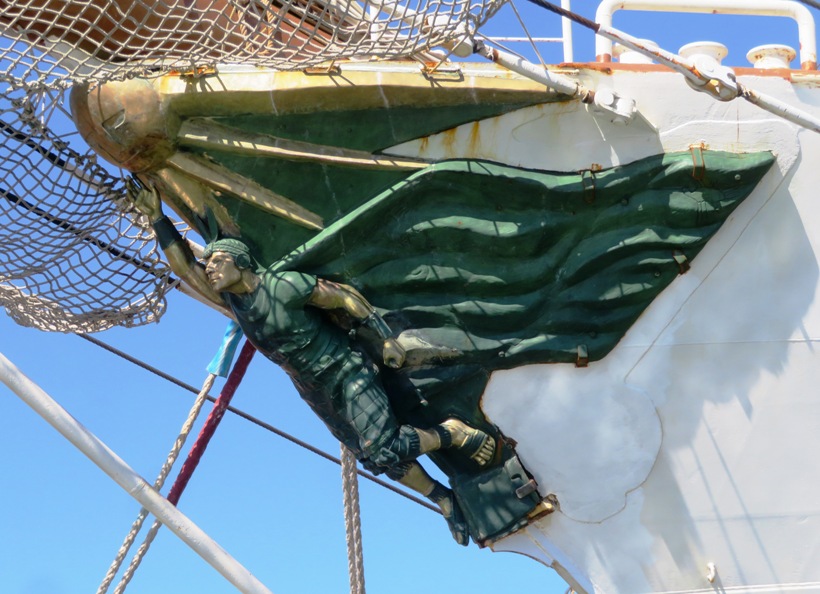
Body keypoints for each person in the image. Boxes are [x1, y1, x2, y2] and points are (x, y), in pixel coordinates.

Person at [131, 181, 496, 545]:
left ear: (239, 261)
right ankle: (443, 497)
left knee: (383, 447)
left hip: (345, 370)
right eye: (207, 264)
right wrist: (157, 218)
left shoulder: (282, 286)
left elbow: (344, 298)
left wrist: (385, 338)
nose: (208, 269)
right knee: (373, 460)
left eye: (216, 261)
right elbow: (184, 268)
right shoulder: (236, 304)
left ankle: (452, 433)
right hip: (313, 390)